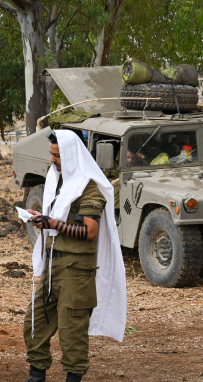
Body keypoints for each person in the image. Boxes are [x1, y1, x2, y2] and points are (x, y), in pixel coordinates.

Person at [23, 130, 126, 382]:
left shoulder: (89, 187)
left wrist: (53, 224)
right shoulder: (57, 182)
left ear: (70, 156)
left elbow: (89, 232)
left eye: (57, 156)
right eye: (51, 154)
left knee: (72, 332)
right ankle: (36, 376)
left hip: (76, 270)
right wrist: (40, 220)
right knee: (35, 320)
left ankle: (73, 379)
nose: (53, 160)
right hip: (53, 264)